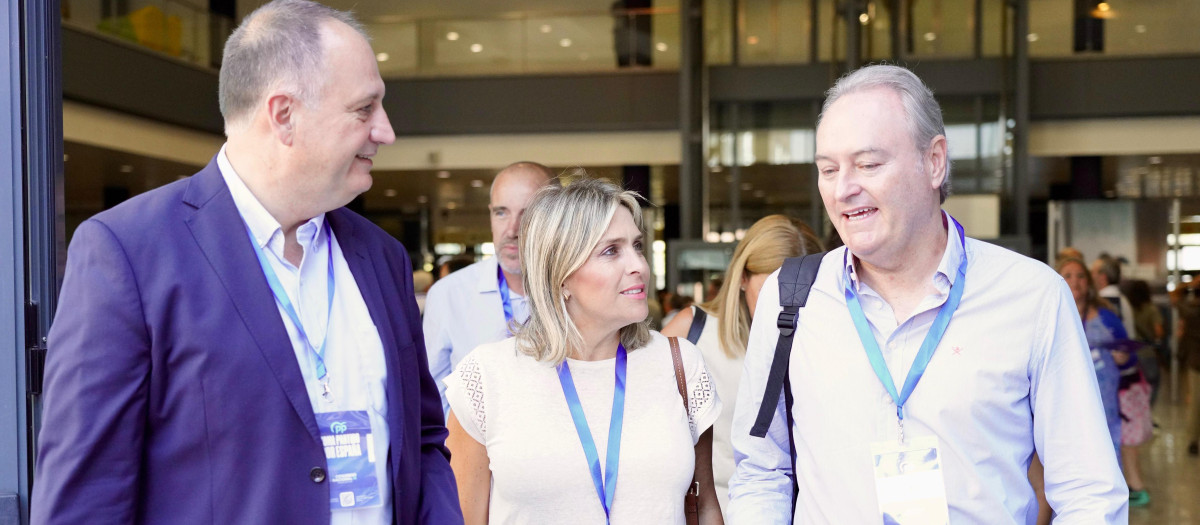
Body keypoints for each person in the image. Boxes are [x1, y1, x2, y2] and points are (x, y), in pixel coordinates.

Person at [30, 2, 462, 523]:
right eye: (364, 109)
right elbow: (87, 495)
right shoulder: (129, 253)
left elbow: (423, 439)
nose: (385, 131)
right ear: (284, 115)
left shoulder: (382, 256)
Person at [728, 64, 1126, 523]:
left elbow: (1088, 493)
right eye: (828, 169)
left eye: (868, 165)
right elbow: (762, 472)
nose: (843, 189)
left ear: (934, 161)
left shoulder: (1033, 298)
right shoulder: (791, 299)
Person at [444, 178, 723, 524]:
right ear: (561, 276)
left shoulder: (679, 364)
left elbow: (705, 506)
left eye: (637, 246)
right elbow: (464, 517)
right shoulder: (486, 377)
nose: (639, 265)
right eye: (611, 251)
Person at [662, 214, 822, 518]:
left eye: (802, 297)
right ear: (743, 278)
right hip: (717, 512)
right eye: (772, 294)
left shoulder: (821, 343)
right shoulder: (692, 332)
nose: (785, 309)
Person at [423, 161, 557, 412]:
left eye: (528, 214)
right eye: (501, 212)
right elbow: (433, 401)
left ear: (558, 219)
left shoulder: (583, 291)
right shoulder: (449, 294)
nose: (512, 230)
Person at [1092, 253, 1136, 338]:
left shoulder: (1102, 301)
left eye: (1092, 272)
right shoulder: (1122, 299)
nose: (1090, 277)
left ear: (1102, 277)